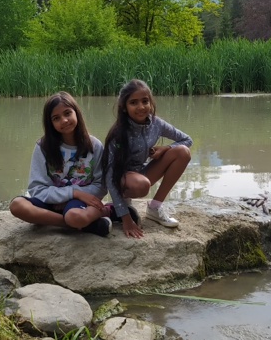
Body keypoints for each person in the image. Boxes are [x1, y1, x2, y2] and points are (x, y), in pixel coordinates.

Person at [10, 92, 112, 237]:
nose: (64, 120)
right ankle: (75, 225)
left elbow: (100, 185)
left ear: (76, 112)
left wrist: (78, 196)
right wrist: (73, 192)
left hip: (77, 205)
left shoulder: (94, 146)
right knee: (17, 205)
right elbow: (36, 189)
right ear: (50, 123)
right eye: (56, 118)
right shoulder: (43, 147)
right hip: (51, 202)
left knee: (74, 216)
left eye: (67, 113)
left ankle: (106, 211)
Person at [103, 79, 192, 239]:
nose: (141, 107)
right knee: (142, 185)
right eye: (133, 102)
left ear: (151, 102)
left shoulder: (156, 124)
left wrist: (166, 148)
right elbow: (109, 175)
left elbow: (187, 139)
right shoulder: (118, 133)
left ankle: (155, 207)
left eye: (145, 101)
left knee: (183, 152)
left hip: (142, 171)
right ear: (124, 107)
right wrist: (126, 217)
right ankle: (122, 204)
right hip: (122, 178)